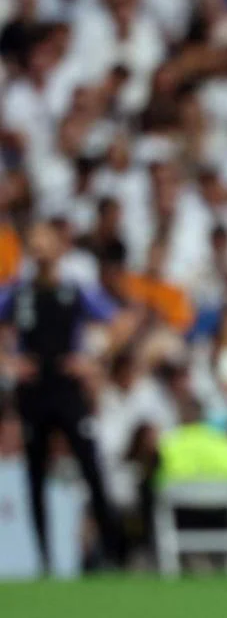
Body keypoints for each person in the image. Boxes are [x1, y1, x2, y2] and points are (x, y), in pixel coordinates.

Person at [0, 221, 132, 572]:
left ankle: (114, 553)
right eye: (34, 242)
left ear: (59, 248)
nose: (39, 248)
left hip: (67, 387)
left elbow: (120, 322)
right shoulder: (18, 292)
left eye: (45, 241)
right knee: (34, 473)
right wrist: (9, 361)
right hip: (33, 390)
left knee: (91, 467)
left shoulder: (74, 290)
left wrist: (93, 360)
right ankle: (43, 558)